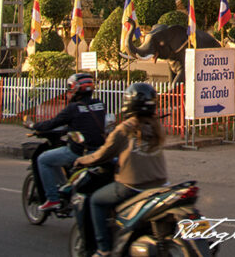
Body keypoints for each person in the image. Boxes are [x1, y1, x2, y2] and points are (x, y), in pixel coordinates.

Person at [75, 82, 167, 257]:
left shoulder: (125, 129)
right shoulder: (157, 127)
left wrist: (81, 160)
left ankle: (103, 249)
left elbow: (101, 155)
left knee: (96, 200)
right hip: (160, 185)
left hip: (132, 187)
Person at [33, 73, 107, 213]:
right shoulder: (100, 105)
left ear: (75, 89)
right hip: (100, 151)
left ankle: (53, 198)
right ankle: (65, 186)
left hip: (78, 151)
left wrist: (35, 126)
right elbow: (88, 123)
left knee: (43, 159)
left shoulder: (72, 108)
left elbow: (53, 123)